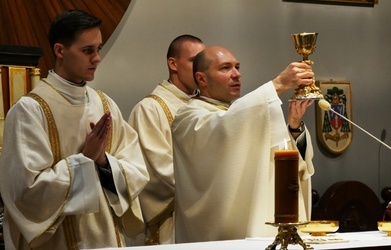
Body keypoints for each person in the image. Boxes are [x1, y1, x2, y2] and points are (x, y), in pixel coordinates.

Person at [0, 9, 149, 249]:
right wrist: (84, 160)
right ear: (60, 51)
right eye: (87, 51)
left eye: (98, 49)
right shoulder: (30, 110)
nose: (97, 58)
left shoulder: (104, 103)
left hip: (106, 238)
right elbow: (25, 193)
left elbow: (136, 170)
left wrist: (103, 162)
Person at [172, 46, 315, 243]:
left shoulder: (248, 113)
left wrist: (294, 127)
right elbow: (223, 129)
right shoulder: (188, 118)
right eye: (225, 68)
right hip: (217, 238)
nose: (236, 75)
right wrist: (278, 84)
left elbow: (278, 165)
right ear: (202, 78)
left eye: (237, 67)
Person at [128, 35, 206, 244]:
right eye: (194, 61)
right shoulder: (150, 109)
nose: (201, 68)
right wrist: (208, 185)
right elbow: (158, 171)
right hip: (170, 223)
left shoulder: (206, 106)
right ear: (173, 63)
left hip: (206, 215)